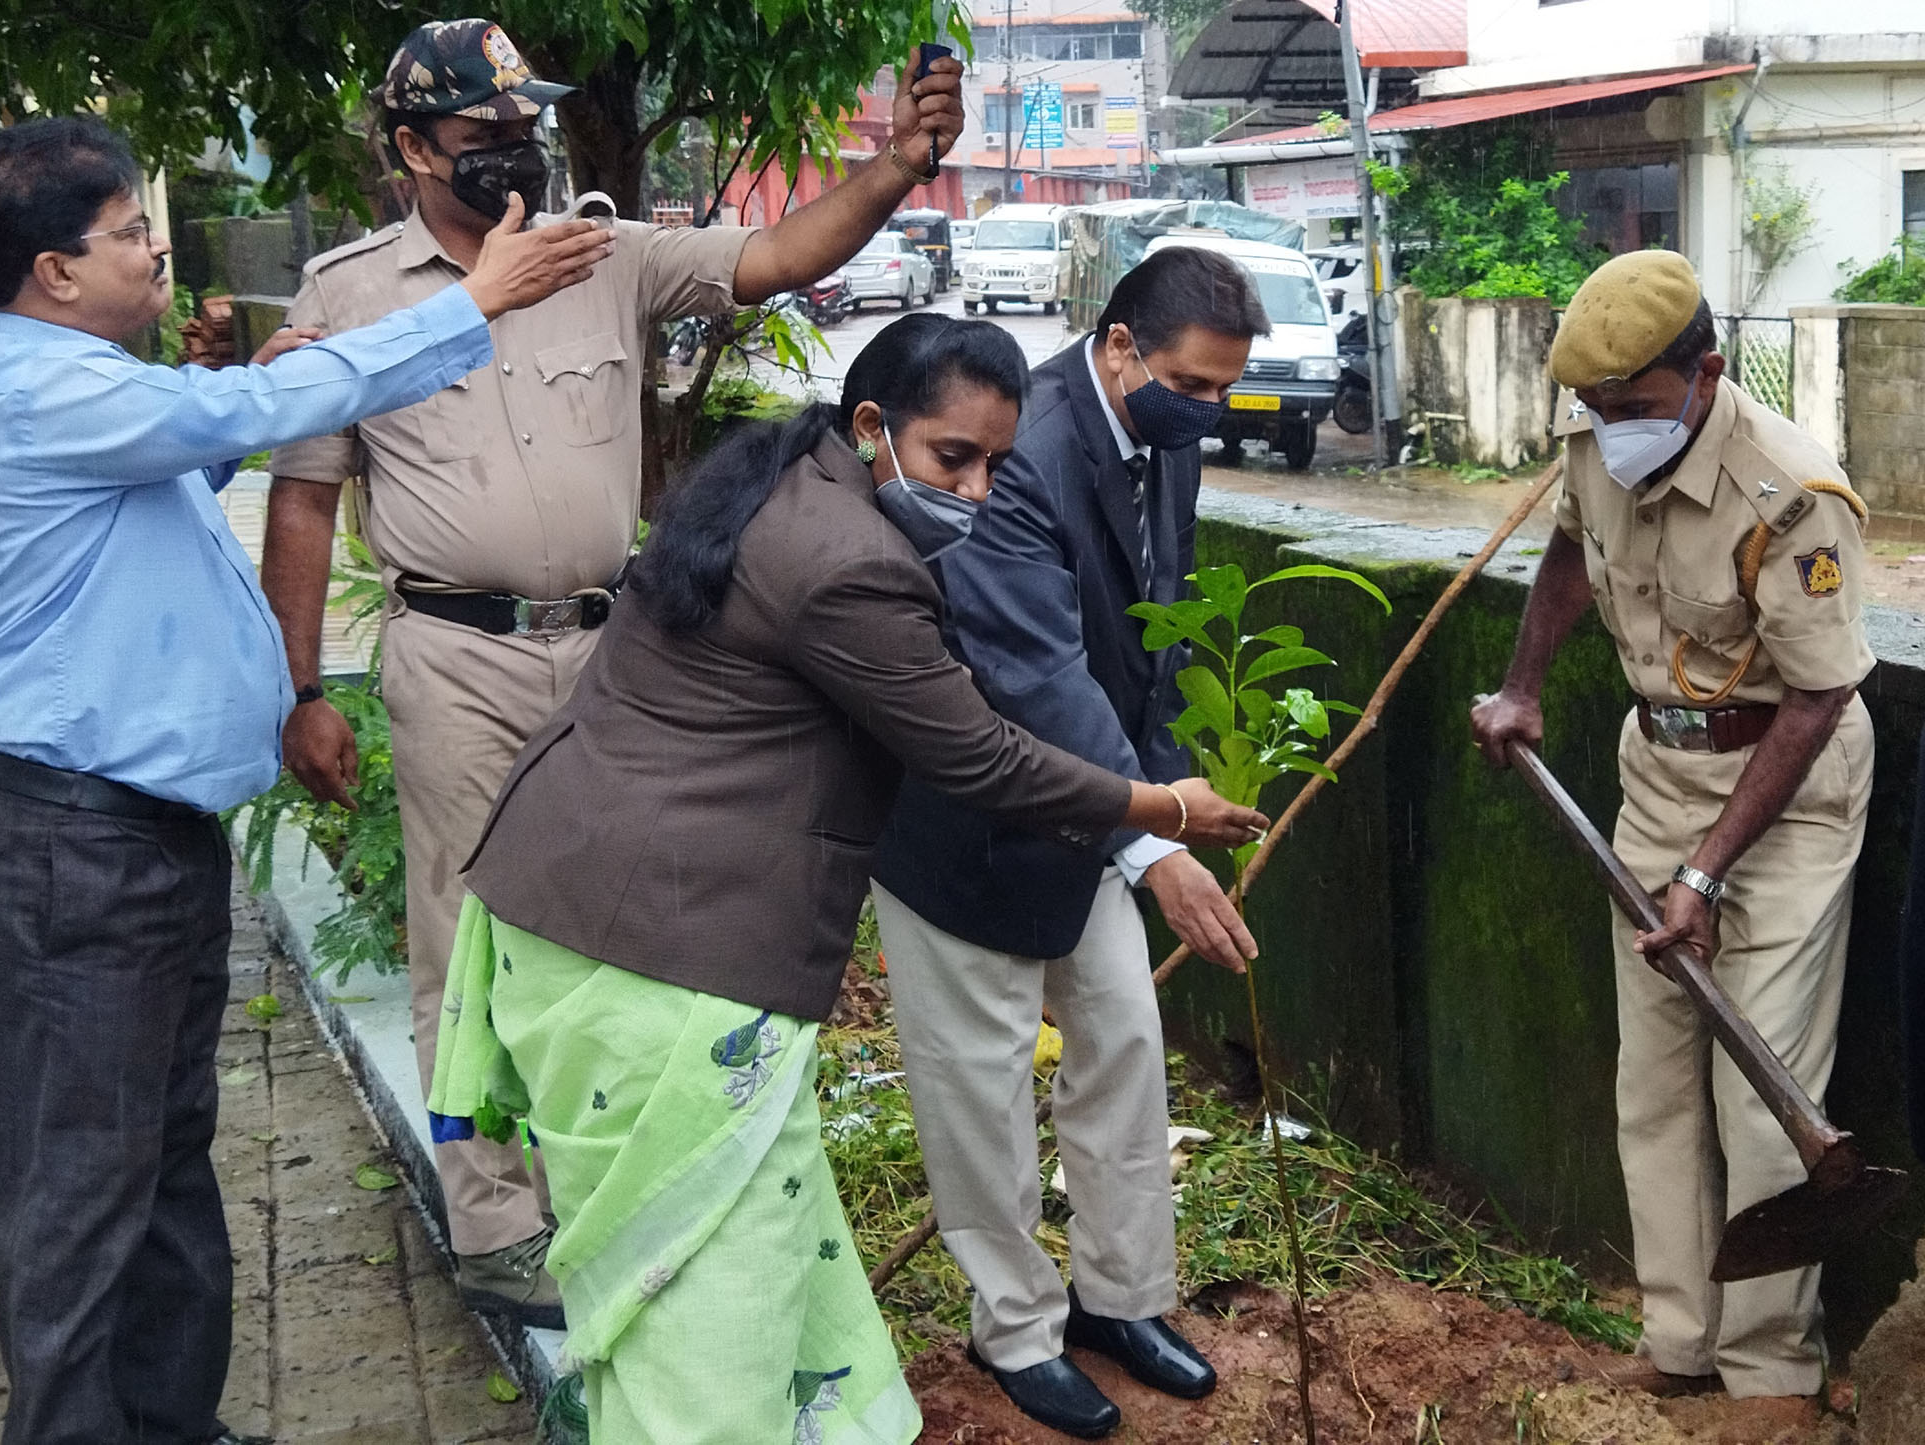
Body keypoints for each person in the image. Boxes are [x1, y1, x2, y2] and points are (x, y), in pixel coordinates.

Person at [423, 314, 1268, 1443]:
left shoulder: (779, 484)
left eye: (993, 465)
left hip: (605, 897)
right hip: (660, 935)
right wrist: (1159, 815)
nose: (974, 492)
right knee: (697, 1279)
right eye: (950, 459)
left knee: (744, 1236)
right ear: (872, 426)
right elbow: (973, 746)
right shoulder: (846, 558)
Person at [261, 17, 969, 1324]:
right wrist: (300, 692)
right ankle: (493, 1221)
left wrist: (896, 167)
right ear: (415, 148)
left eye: (528, 124)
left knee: (619, 932)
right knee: (466, 940)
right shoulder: (350, 298)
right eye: (484, 134)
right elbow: (303, 505)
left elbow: (772, 254)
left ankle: (605, 1181)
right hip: (454, 655)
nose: (515, 149)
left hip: (616, 657)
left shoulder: (602, 253)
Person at [0, 115, 603, 1445]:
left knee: (166, 1160)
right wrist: (470, 303)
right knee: (78, 1194)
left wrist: (266, 380)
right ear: (56, 271)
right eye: (133, 230)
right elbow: (236, 417)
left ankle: (168, 1422)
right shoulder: (27, 385)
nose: (157, 246)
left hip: (139, 838)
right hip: (75, 843)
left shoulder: (90, 385)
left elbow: (204, 433)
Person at [869, 246, 1271, 1440]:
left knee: (1121, 1043)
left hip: (1090, 810)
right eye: (1190, 385)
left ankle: (1119, 1297)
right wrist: (1157, 839)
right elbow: (1032, 671)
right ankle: (1018, 1329)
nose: (1206, 412)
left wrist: (1149, 796)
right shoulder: (1019, 450)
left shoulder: (1166, 438)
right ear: (1116, 347)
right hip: (966, 820)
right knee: (980, 1088)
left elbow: (1143, 641)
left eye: (1221, 393)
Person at [1471, 250, 1873, 1435]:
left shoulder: (1790, 493)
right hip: (1655, 774)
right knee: (1649, 1081)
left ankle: (1767, 1376)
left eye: (1630, 406)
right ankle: (1677, 1341)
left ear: (1702, 370)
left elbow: (1816, 698)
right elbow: (1564, 552)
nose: (1604, 429)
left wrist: (1704, 874)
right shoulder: (1599, 438)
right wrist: (1521, 683)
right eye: (1588, 409)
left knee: (1763, 1096)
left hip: (1785, 801)